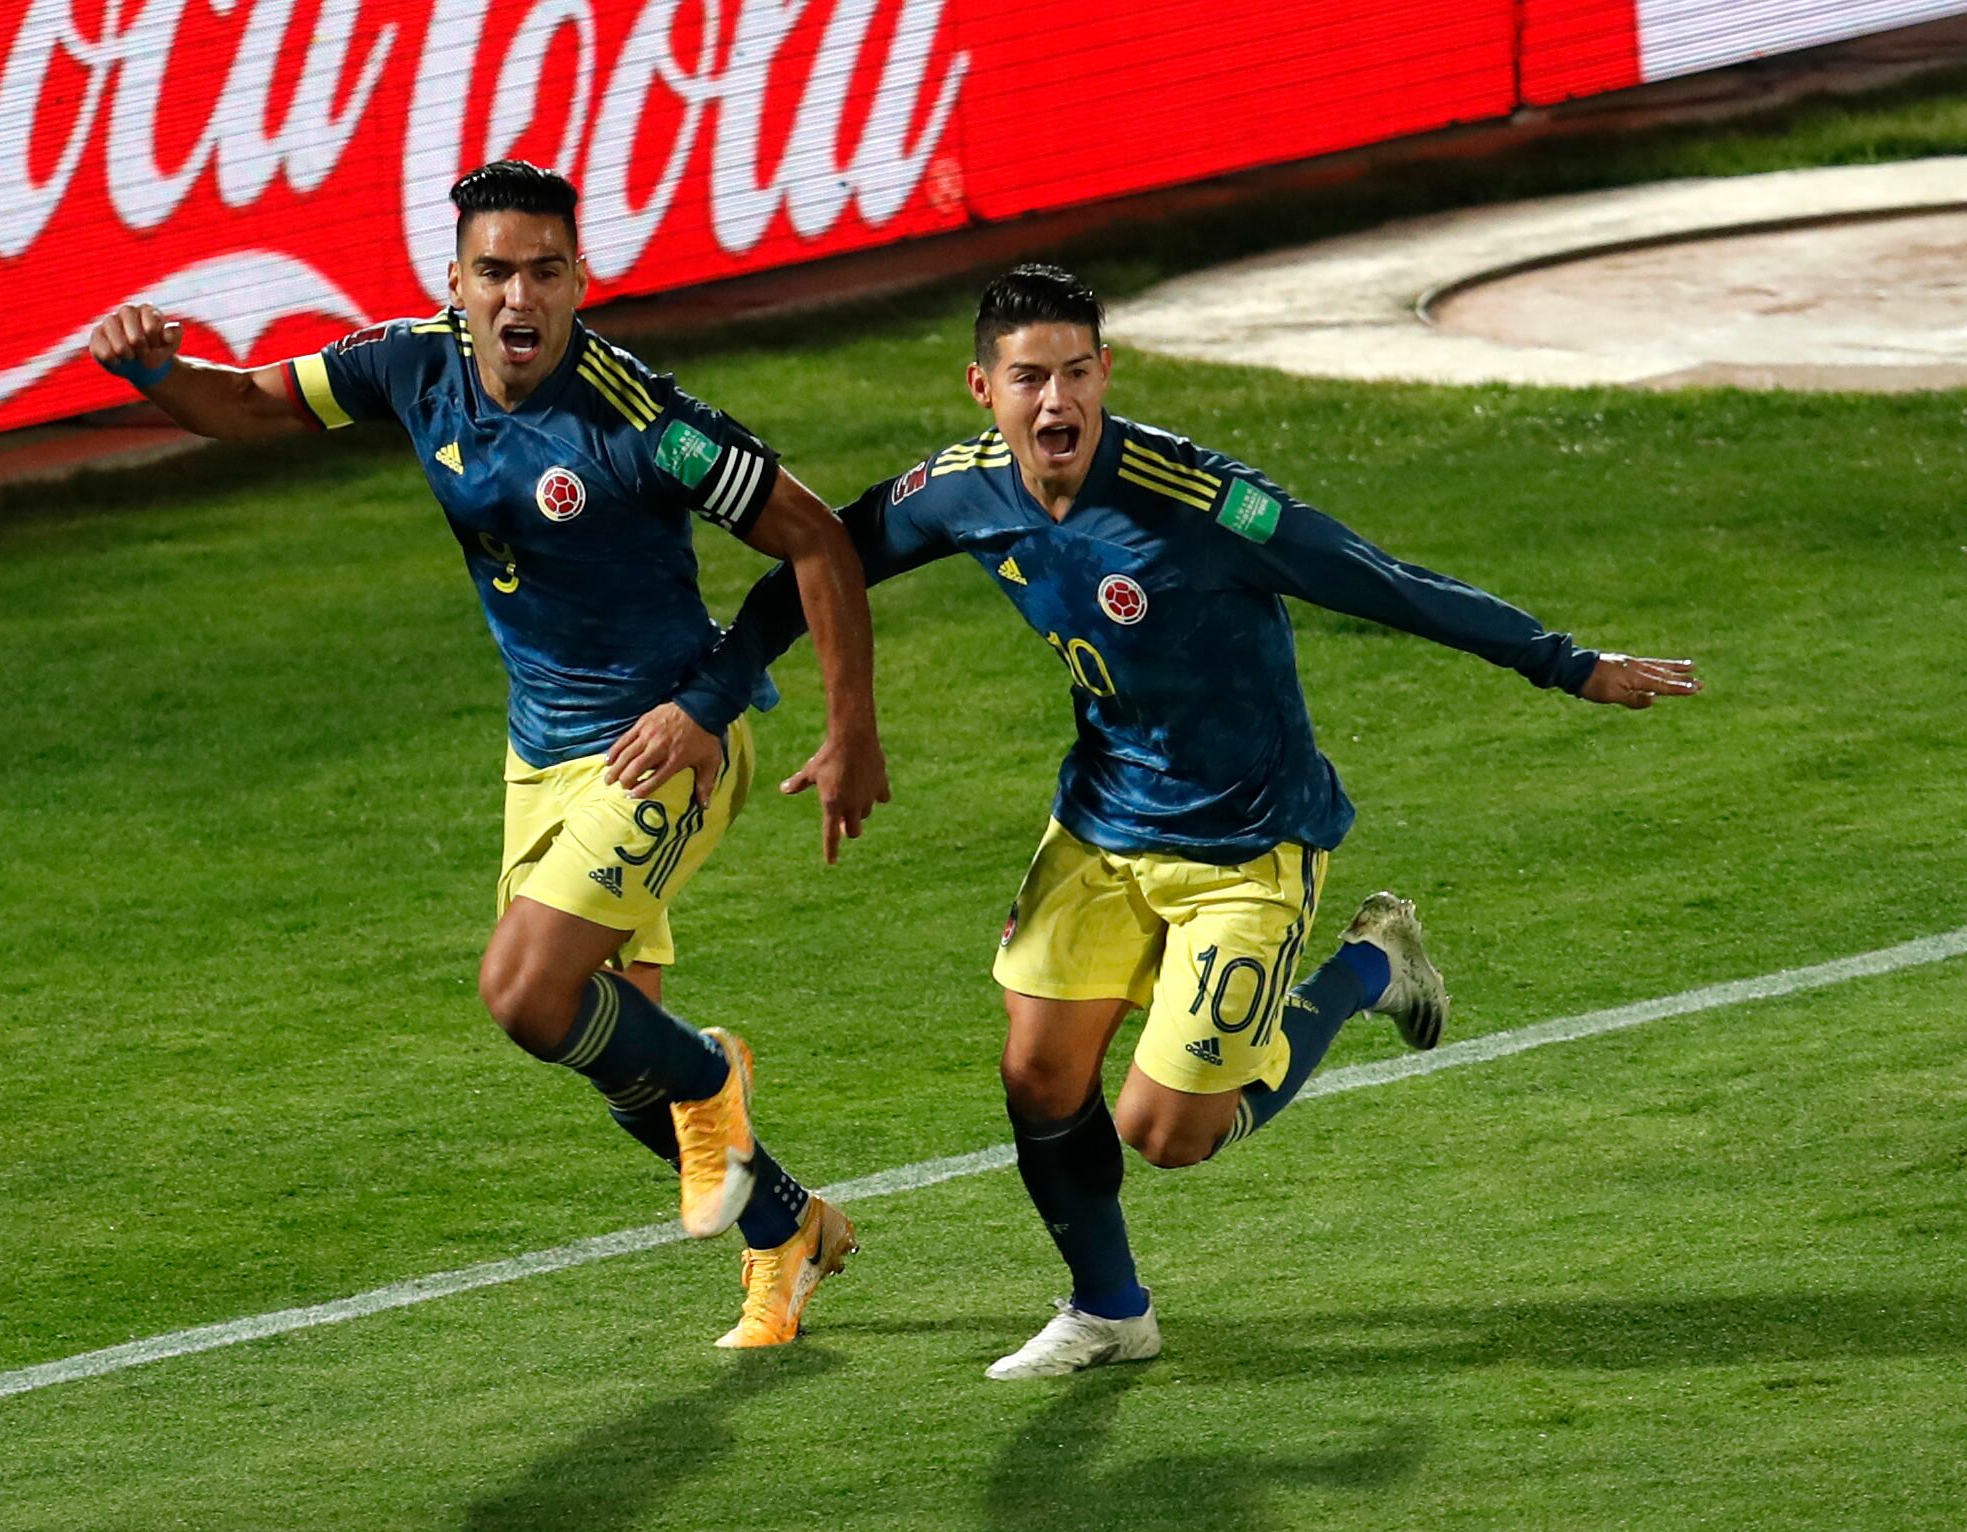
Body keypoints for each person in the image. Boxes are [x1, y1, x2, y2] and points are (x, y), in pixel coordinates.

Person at [669, 263, 1699, 1377]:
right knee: (1037, 1073)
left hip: (1247, 839)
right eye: (1029, 378)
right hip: (1101, 821)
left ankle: (1368, 967)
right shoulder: (959, 490)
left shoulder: (1202, 502)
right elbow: (818, 553)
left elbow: (1379, 580)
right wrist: (720, 698)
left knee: (1167, 1134)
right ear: (983, 387)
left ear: (1105, 373)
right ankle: (1110, 1311)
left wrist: (1566, 663)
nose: (1056, 401)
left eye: (1076, 374)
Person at [86, 161, 890, 1349]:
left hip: (664, 743)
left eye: (545, 271)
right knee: (615, 1058)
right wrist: (154, 372)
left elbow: (815, 539)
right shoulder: (410, 365)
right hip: (541, 753)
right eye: (495, 271)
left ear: (581, 281)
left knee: (525, 992)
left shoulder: (643, 422)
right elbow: (253, 405)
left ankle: (713, 1074)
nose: (520, 296)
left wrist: (825, 724)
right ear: (453, 281)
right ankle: (791, 1228)